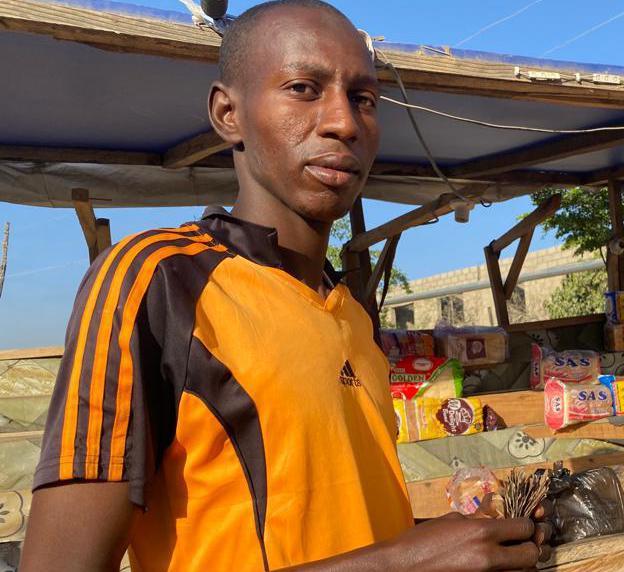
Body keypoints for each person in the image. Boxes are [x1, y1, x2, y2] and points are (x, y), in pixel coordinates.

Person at [19, 1, 550, 570]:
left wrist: (450, 542)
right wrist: (400, 563)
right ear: (229, 114)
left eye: (364, 99)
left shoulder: (351, 314)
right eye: (303, 88)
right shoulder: (157, 279)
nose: (343, 122)